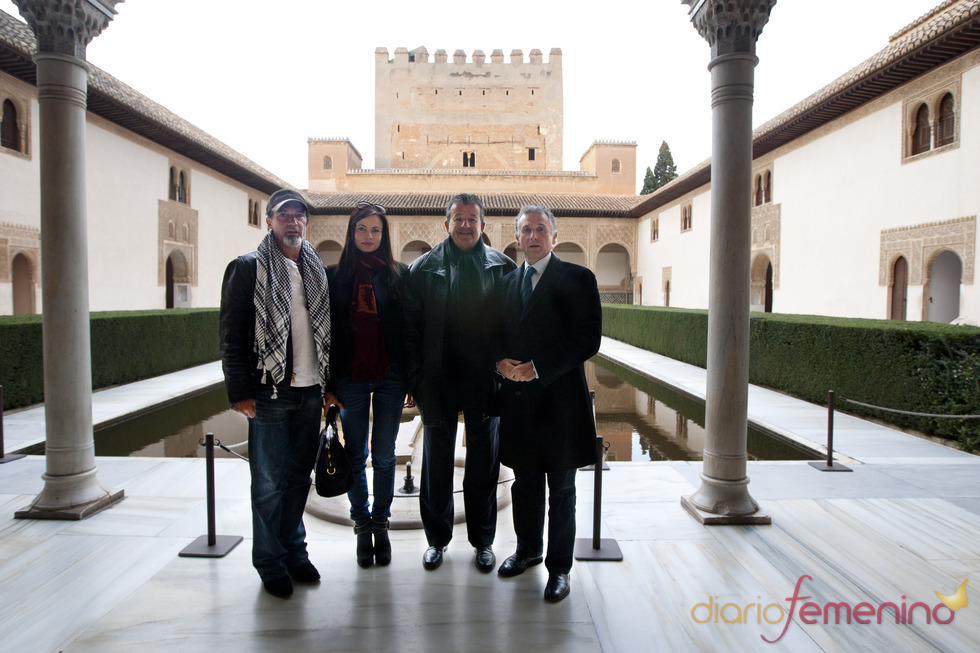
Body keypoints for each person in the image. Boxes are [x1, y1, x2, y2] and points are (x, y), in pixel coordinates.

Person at [219, 188, 331, 598]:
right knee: (267, 483)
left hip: (309, 391)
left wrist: (327, 384)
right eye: (284, 215)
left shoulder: (316, 269)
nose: (293, 222)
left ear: (306, 222)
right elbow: (231, 336)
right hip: (268, 393)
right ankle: (269, 561)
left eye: (299, 215)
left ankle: (293, 552)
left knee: (299, 478)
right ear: (269, 221)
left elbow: (325, 334)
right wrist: (239, 392)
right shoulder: (247, 268)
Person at [494, 204, 601, 603]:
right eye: (526, 230)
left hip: (560, 403)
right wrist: (498, 361)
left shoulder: (577, 278)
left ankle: (559, 569)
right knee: (524, 485)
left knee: (562, 489)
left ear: (554, 236)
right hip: (519, 405)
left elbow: (587, 339)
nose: (534, 236)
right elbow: (492, 334)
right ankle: (527, 550)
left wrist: (538, 368)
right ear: (517, 237)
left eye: (541, 229)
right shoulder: (506, 284)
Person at [404, 192, 516, 572]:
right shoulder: (422, 269)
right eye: (458, 218)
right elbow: (410, 331)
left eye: (472, 219)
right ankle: (437, 540)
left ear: (483, 225)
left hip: (484, 381)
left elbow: (512, 327)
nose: (465, 225)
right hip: (438, 380)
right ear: (446, 223)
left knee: (484, 463)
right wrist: (414, 379)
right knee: (436, 464)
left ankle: (483, 541)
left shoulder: (502, 267)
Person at [324, 201, 410, 569]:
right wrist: (327, 385)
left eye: (375, 230)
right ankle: (361, 524)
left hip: (390, 375)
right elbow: (323, 334)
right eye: (362, 229)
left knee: (386, 454)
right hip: (350, 376)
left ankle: (381, 524)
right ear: (351, 232)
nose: (369, 236)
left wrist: (410, 377)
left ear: (384, 235)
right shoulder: (333, 277)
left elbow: (408, 330)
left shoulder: (399, 274)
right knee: (356, 454)